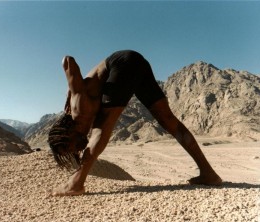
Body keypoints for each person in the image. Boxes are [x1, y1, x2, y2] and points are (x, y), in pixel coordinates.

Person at [49, 50, 222, 197]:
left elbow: (67, 60)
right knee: (167, 120)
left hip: (120, 63)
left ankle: (76, 183)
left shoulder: (79, 108)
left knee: (100, 129)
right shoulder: (81, 112)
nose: (74, 151)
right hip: (136, 62)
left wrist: (70, 91)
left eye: (68, 147)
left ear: (66, 133)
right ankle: (208, 173)